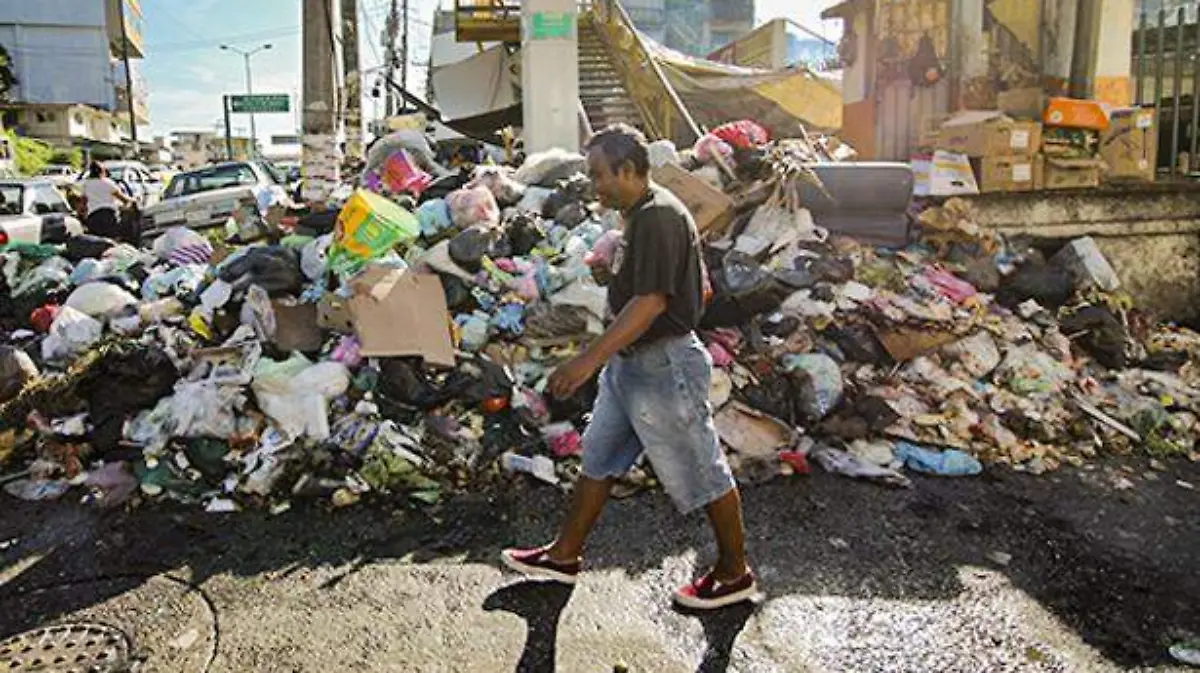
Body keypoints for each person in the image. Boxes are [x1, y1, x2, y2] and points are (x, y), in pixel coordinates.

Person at [501, 124, 756, 610]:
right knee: (598, 457)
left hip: (663, 366)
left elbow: (652, 303)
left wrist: (585, 360)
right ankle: (564, 555)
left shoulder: (658, 215)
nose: (594, 185)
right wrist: (611, 273)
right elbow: (657, 287)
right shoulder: (640, 214)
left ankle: (733, 573)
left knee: (702, 468)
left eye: (600, 175)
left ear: (629, 170)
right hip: (633, 365)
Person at [81, 162, 134, 241]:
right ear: (102, 171)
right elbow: (123, 199)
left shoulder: (86, 184)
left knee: (96, 242)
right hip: (108, 216)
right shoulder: (108, 183)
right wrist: (132, 201)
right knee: (111, 241)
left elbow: (83, 202)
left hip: (93, 217)